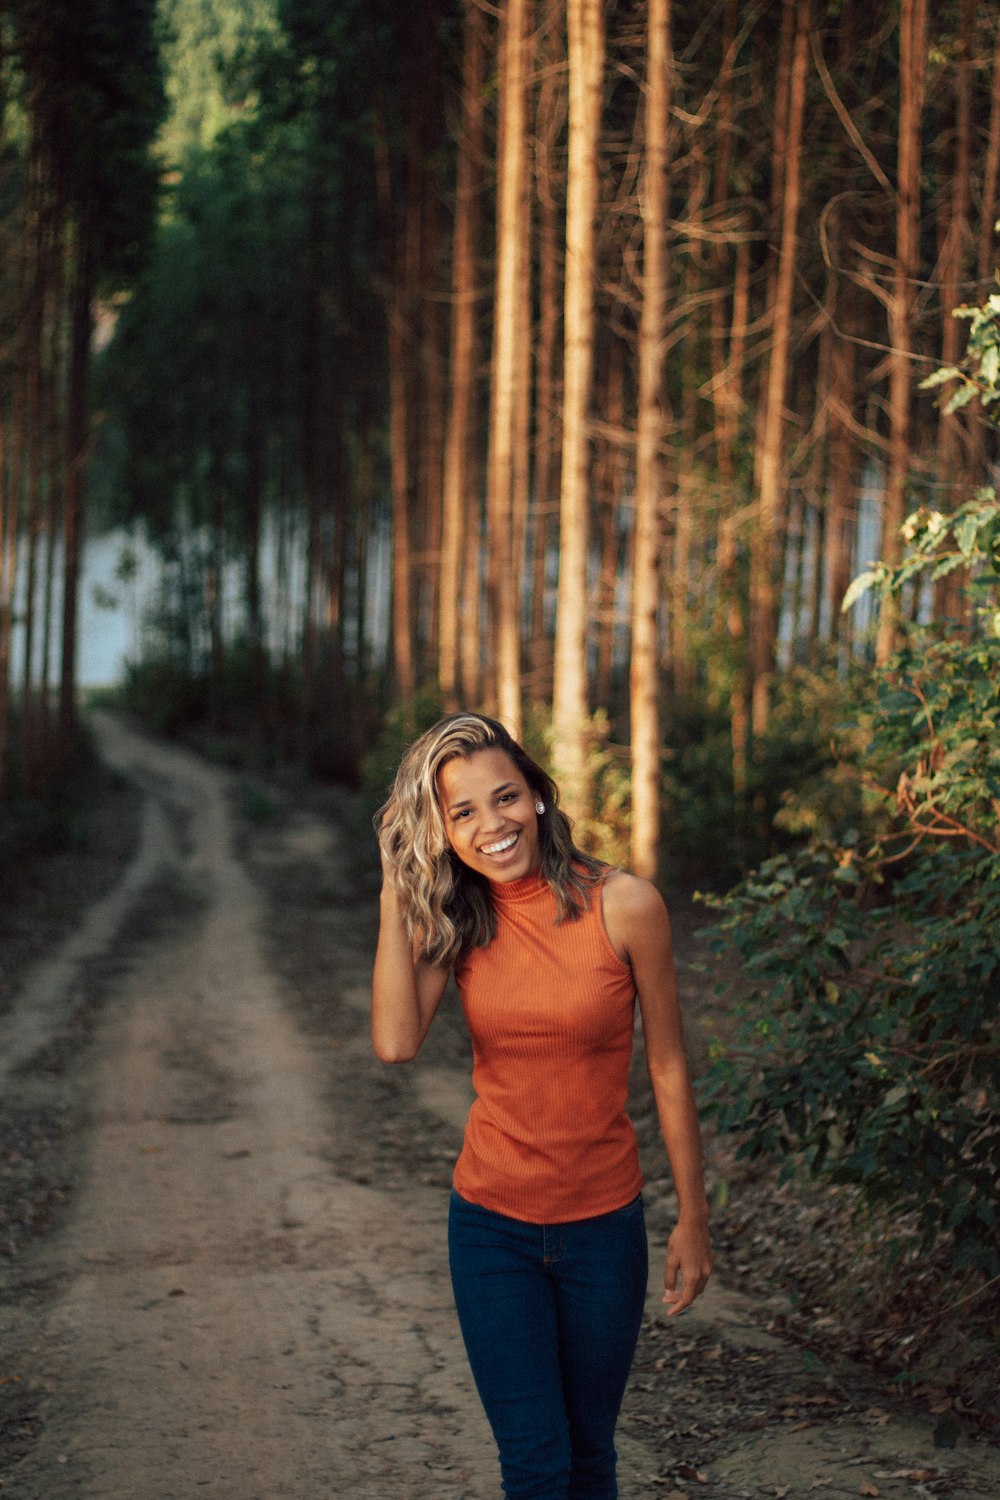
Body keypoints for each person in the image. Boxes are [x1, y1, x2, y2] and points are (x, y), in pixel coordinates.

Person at [371, 712, 712, 1500]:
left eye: (506, 798)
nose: (492, 825)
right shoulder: (459, 917)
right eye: (462, 813)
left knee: (590, 1457)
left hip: (605, 1231)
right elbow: (394, 1042)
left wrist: (692, 1218)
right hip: (492, 1230)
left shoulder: (625, 906)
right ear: (443, 831)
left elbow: (667, 1065)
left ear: (538, 797)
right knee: (535, 1465)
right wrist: (397, 888)